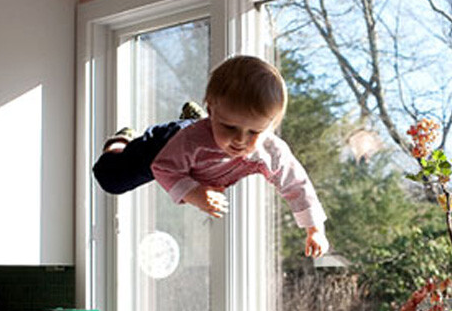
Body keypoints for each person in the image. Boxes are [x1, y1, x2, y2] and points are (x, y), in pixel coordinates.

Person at [92, 55, 329, 258]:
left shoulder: (271, 150)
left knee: (219, 137)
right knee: (112, 180)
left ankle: (198, 118)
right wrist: (194, 193)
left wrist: (314, 228)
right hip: (166, 146)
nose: (240, 140)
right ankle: (121, 141)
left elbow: (296, 184)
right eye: (229, 127)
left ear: (271, 126)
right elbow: (163, 167)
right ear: (213, 108)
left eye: (254, 132)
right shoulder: (190, 141)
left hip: (203, 153)